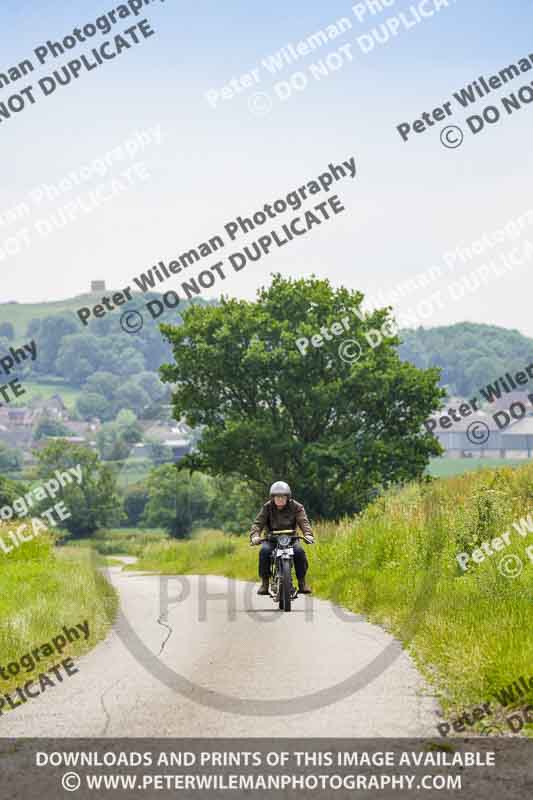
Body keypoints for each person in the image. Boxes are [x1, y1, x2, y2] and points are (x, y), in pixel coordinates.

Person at [249, 481, 315, 596]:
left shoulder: (297, 507)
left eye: (282, 497)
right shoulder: (267, 507)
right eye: (277, 497)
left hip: (291, 538)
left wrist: (308, 534)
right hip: (272, 539)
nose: (279, 499)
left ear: (288, 497)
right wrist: (255, 536)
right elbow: (258, 523)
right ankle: (265, 583)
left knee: (299, 552)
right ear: (272, 497)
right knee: (264, 551)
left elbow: (303, 521)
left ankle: (302, 583)